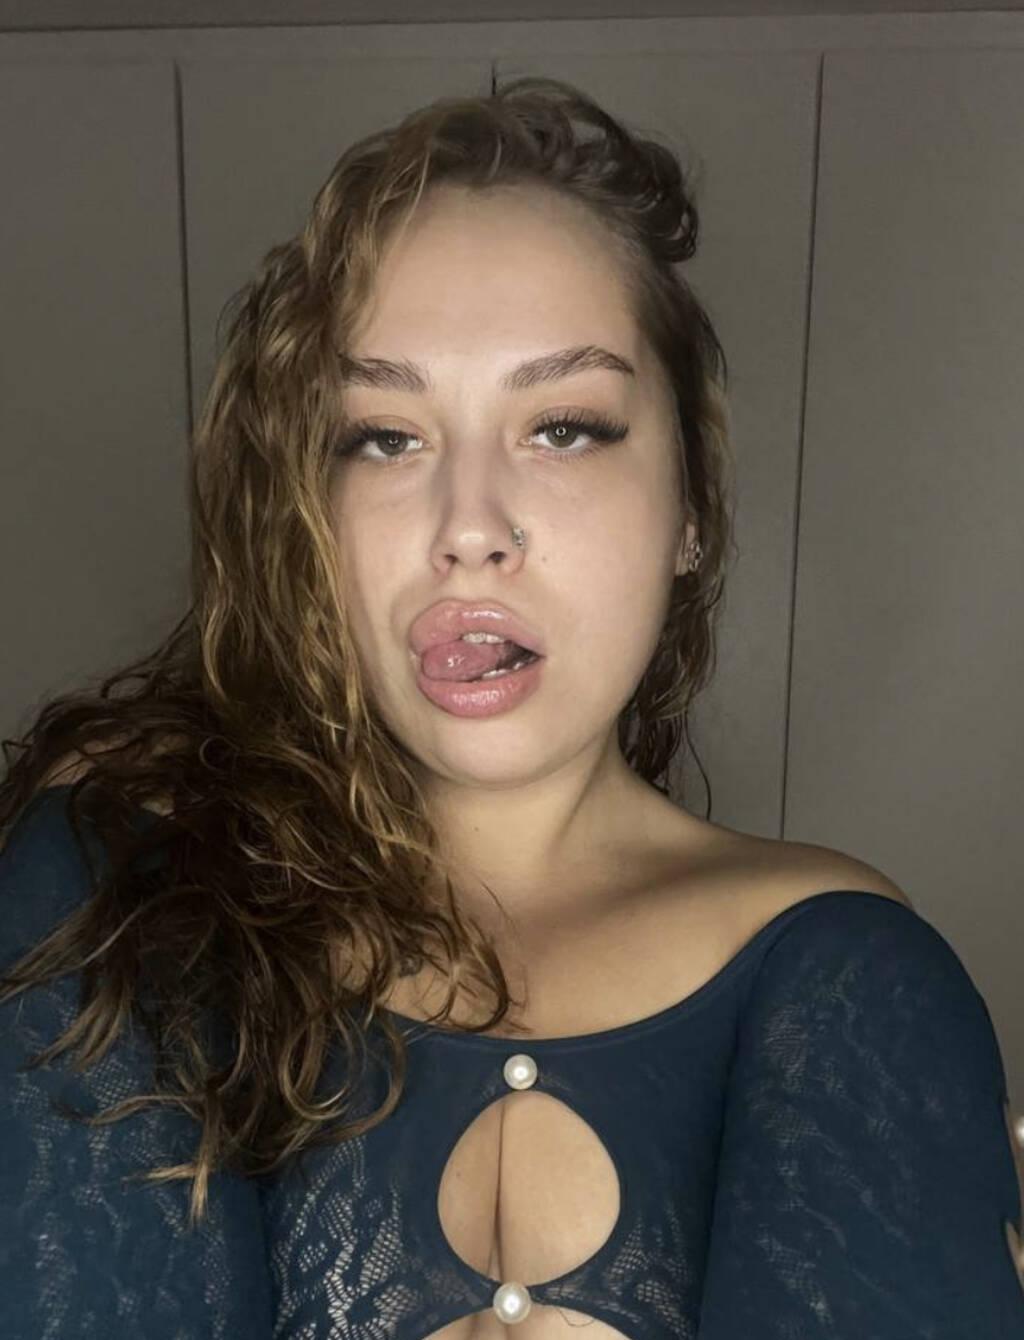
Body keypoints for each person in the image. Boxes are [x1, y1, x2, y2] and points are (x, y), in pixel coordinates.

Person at [1, 75, 1022, 1339]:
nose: (469, 527)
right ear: (306, 520)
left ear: (692, 509)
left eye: (565, 427)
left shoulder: (847, 974)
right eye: (383, 436)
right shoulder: (119, 898)